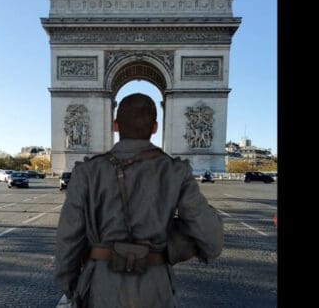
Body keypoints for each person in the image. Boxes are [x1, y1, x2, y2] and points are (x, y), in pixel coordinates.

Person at [54, 93, 224, 307]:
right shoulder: (176, 172)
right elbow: (212, 240)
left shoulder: (86, 172)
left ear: (115, 125)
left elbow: (68, 240)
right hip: (155, 287)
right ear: (155, 127)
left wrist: (74, 288)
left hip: (101, 285)